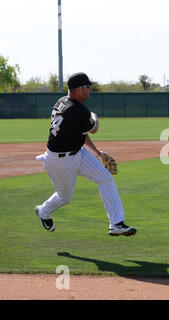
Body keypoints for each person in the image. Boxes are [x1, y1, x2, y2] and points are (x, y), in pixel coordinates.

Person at [34, 72, 136, 236]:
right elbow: (93, 128)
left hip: (77, 153)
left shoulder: (62, 101)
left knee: (105, 178)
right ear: (79, 89)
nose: (90, 91)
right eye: (88, 87)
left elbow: (81, 132)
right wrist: (94, 116)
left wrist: (97, 153)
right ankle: (43, 211)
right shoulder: (77, 109)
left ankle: (116, 223)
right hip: (61, 161)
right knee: (65, 198)